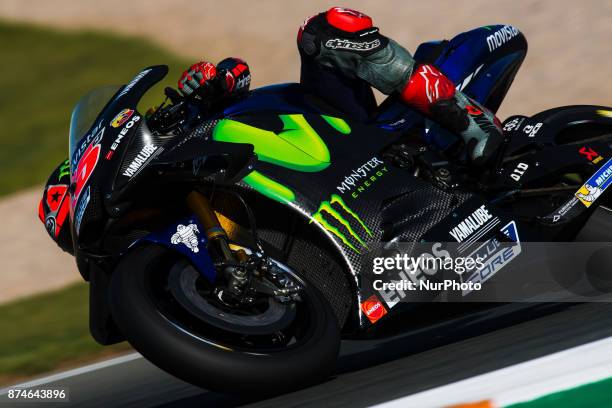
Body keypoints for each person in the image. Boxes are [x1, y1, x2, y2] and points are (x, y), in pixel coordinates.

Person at [179, 6, 503, 165]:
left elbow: (238, 72)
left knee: (322, 32)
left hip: (334, 133)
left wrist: (218, 79)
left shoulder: (186, 125)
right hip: (301, 205)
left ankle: (469, 119)